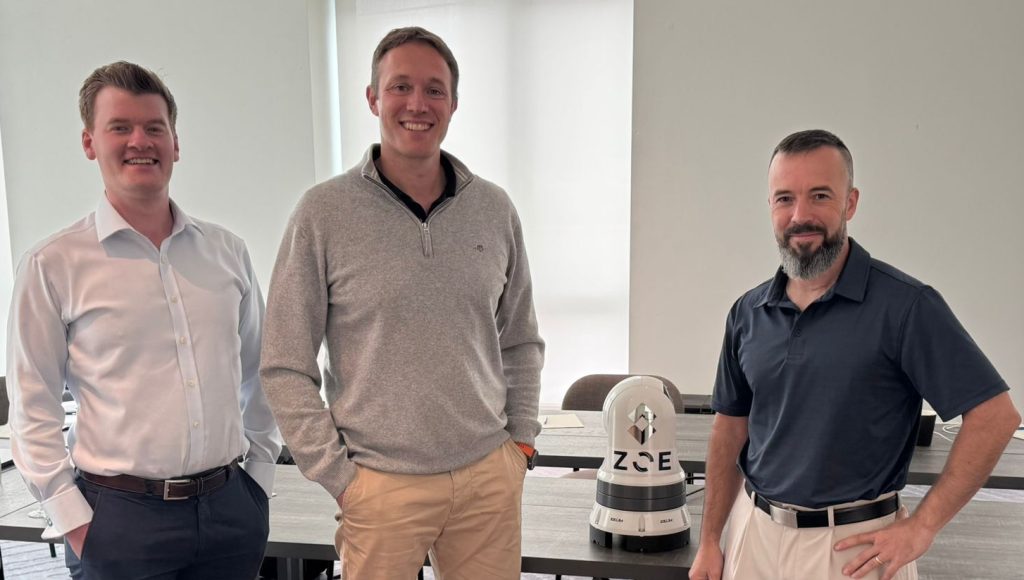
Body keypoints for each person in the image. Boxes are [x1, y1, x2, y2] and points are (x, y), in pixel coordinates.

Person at [260, 26, 544, 579]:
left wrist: (521, 445)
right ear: (373, 98)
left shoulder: (494, 209)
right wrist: (339, 477)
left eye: (435, 90)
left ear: (454, 103)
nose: (418, 104)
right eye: (400, 87)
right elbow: (284, 362)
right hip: (380, 486)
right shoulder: (323, 213)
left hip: (487, 477)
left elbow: (520, 338)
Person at [689, 129, 1021, 580]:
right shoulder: (748, 312)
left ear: (850, 203)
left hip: (853, 550)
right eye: (784, 198)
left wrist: (923, 527)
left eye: (819, 195)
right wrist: (710, 540)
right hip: (754, 536)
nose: (799, 215)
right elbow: (730, 428)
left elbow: (995, 416)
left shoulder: (906, 307)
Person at [7, 61, 282, 579]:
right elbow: (32, 407)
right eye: (120, 127)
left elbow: (260, 374)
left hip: (229, 511)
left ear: (175, 142)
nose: (141, 141)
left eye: (155, 128)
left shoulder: (226, 253)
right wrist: (75, 522)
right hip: (119, 522)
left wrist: (259, 481)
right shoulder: (53, 265)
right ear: (90, 143)